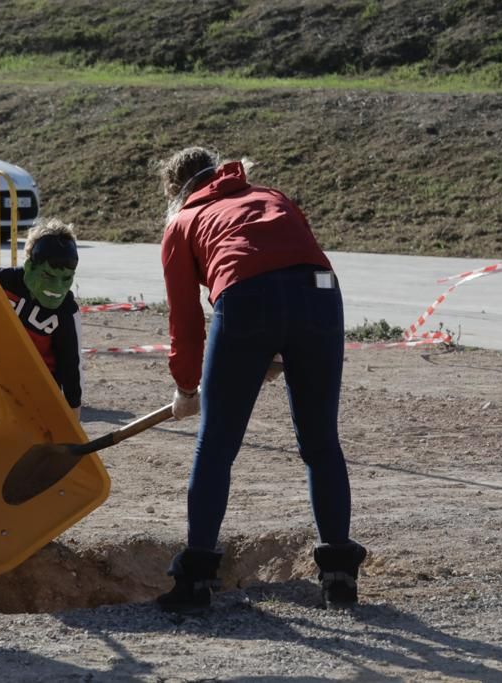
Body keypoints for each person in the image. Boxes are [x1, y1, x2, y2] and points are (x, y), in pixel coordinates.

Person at [156, 146, 366, 610]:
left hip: (248, 299)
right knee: (320, 442)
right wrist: (274, 347)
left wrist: (187, 388)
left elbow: (186, 321)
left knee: (216, 446)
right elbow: (289, 269)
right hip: (322, 295)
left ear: (176, 191)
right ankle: (339, 577)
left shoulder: (183, 222)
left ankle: (194, 582)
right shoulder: (270, 195)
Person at [0, 219, 83, 418]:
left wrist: (73, 424)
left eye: (66, 278)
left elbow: (71, 369)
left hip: (36, 393)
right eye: (49, 276)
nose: (57, 287)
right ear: (29, 267)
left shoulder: (66, 313)